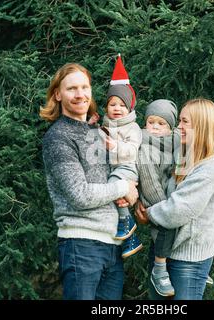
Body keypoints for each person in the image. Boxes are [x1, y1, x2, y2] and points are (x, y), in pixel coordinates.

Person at [40, 62, 138, 300]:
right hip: (81, 245)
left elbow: (121, 174)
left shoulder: (100, 133)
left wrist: (132, 193)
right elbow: (80, 195)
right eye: (72, 88)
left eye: (85, 87)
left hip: (113, 246)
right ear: (58, 94)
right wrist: (123, 188)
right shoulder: (58, 138)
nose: (80, 94)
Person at [135, 98, 214, 300]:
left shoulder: (213, 167)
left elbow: (177, 209)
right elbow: (165, 191)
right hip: (166, 254)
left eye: (185, 122)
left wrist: (147, 214)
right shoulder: (186, 156)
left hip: (187, 262)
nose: (179, 127)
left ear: (201, 126)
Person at [99, 54, 143, 258]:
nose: (117, 108)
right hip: (114, 169)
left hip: (127, 169)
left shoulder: (132, 127)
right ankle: (131, 240)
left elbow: (132, 150)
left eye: (122, 105)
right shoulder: (105, 126)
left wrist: (115, 146)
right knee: (116, 195)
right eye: (112, 104)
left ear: (129, 108)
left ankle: (126, 223)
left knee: (115, 183)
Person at [136, 99, 179, 296]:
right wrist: (164, 206)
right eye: (150, 122)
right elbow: (149, 180)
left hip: (169, 200)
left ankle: (189, 269)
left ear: (170, 128)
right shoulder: (145, 148)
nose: (154, 127)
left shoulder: (175, 145)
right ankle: (159, 270)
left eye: (161, 123)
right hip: (154, 200)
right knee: (165, 232)